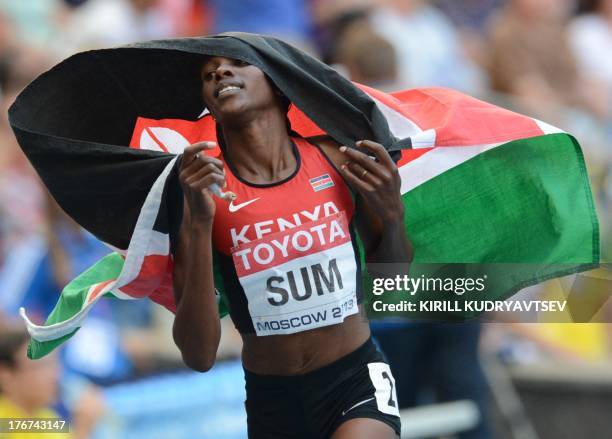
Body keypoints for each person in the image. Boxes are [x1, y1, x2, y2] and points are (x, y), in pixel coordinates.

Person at [171, 55, 412, 438]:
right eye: (208, 73)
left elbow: (392, 284)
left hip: (355, 379)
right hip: (273, 401)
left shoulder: (335, 158)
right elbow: (198, 356)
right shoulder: (200, 193)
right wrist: (200, 226)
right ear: (209, 105)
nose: (220, 72)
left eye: (238, 62)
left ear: (280, 86)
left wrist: (393, 216)